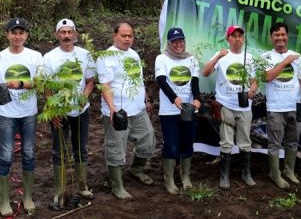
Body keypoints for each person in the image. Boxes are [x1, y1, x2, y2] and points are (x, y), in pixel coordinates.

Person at [0, 17, 43, 216]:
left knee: (28, 153)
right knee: (6, 155)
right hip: (6, 113)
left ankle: (27, 197)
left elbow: (41, 83)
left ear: (26, 35)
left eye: (21, 32)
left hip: (28, 112)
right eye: (13, 32)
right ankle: (4, 201)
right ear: (7, 35)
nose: (17, 36)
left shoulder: (35, 57)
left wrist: (18, 84)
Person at [96, 22, 155, 201]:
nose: (127, 39)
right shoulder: (105, 57)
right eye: (124, 35)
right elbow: (105, 85)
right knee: (116, 147)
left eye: (130, 35)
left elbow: (138, 79)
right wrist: (112, 109)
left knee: (148, 139)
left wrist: (145, 99)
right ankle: (117, 185)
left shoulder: (134, 55)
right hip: (117, 112)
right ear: (115, 35)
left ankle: (137, 169)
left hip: (137, 109)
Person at [42, 18, 96, 210]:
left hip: (81, 110)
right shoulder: (49, 58)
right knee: (59, 151)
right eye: (62, 32)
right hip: (60, 110)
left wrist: (84, 97)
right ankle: (60, 190)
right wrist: (51, 109)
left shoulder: (85, 55)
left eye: (69, 32)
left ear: (75, 34)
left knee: (80, 148)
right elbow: (47, 86)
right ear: (57, 35)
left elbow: (90, 80)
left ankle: (82, 185)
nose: (66, 36)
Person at [201, 25, 257, 189]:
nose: (237, 39)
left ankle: (246, 173)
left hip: (245, 106)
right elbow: (205, 72)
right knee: (226, 142)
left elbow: (254, 80)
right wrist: (218, 56)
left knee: (245, 141)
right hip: (225, 105)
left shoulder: (250, 58)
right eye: (234, 36)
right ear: (228, 39)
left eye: (240, 36)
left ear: (243, 39)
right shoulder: (222, 56)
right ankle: (224, 176)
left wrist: (253, 89)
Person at [261, 22, 301, 189]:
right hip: (275, 107)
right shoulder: (266, 57)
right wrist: (285, 62)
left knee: (292, 141)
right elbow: (267, 77)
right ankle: (275, 174)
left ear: (287, 36)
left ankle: (289, 171)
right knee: (275, 143)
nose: (280, 38)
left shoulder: (297, 56)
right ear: (271, 37)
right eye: (276, 35)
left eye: (283, 35)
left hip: (295, 106)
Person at [155, 27, 201, 195]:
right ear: (169, 43)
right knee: (171, 144)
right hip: (169, 111)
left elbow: (195, 82)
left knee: (187, 143)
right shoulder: (162, 58)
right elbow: (161, 81)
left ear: (184, 41)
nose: (178, 44)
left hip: (188, 110)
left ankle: (185, 176)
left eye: (180, 41)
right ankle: (169, 180)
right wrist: (174, 98)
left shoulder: (192, 59)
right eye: (174, 42)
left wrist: (196, 99)